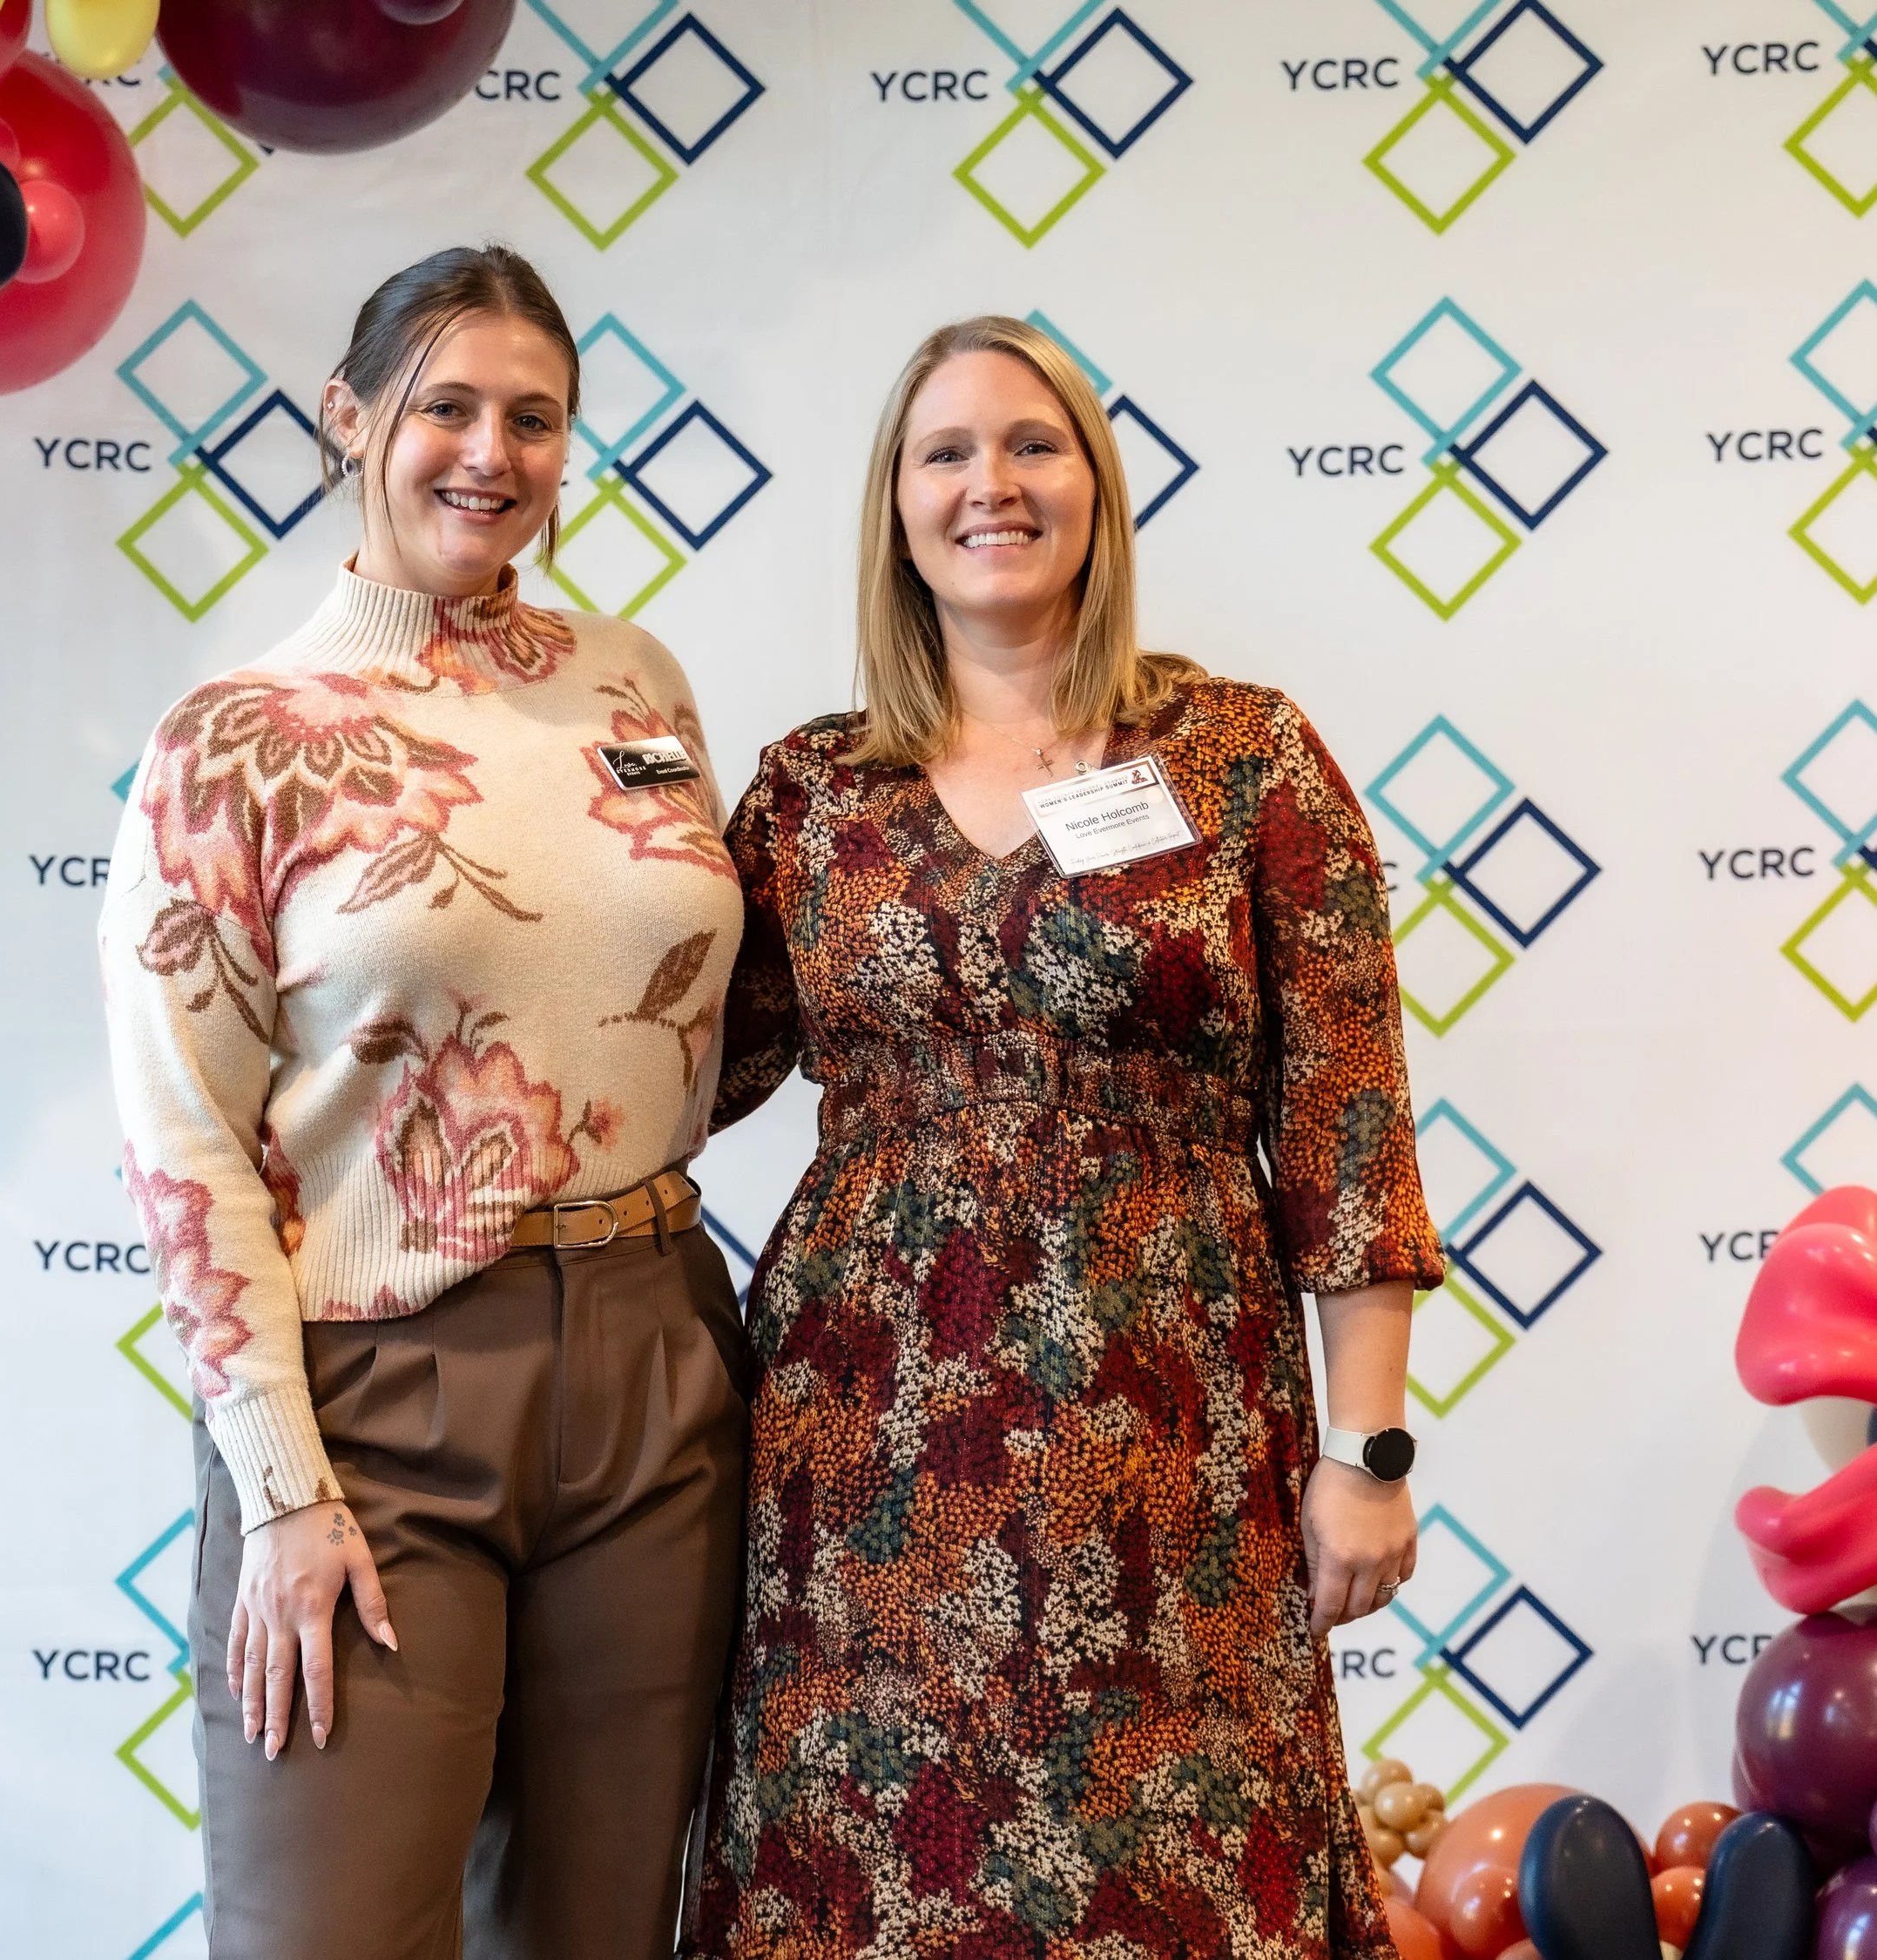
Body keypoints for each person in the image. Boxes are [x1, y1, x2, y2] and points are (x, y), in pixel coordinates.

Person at [691, 315, 1442, 1958]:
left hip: (1169, 1436)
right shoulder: (811, 792)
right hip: (864, 1440)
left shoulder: (1245, 755)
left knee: (1174, 1862)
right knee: (867, 1856)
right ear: (894, 506)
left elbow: (1350, 1122)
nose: (991, 485)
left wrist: (1367, 1453)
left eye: (1033, 445)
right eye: (944, 452)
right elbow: (678, 1070)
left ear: (1098, 489)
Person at [98, 244, 751, 1960]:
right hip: (373, 1394)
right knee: (331, 1932)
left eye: (533, 418)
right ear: (347, 417)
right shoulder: (235, 735)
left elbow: (676, 1015)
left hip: (655, 1365)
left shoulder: (636, 684)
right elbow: (184, 1142)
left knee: (602, 1931)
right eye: (445, 405)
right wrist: (282, 1488)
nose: (491, 451)